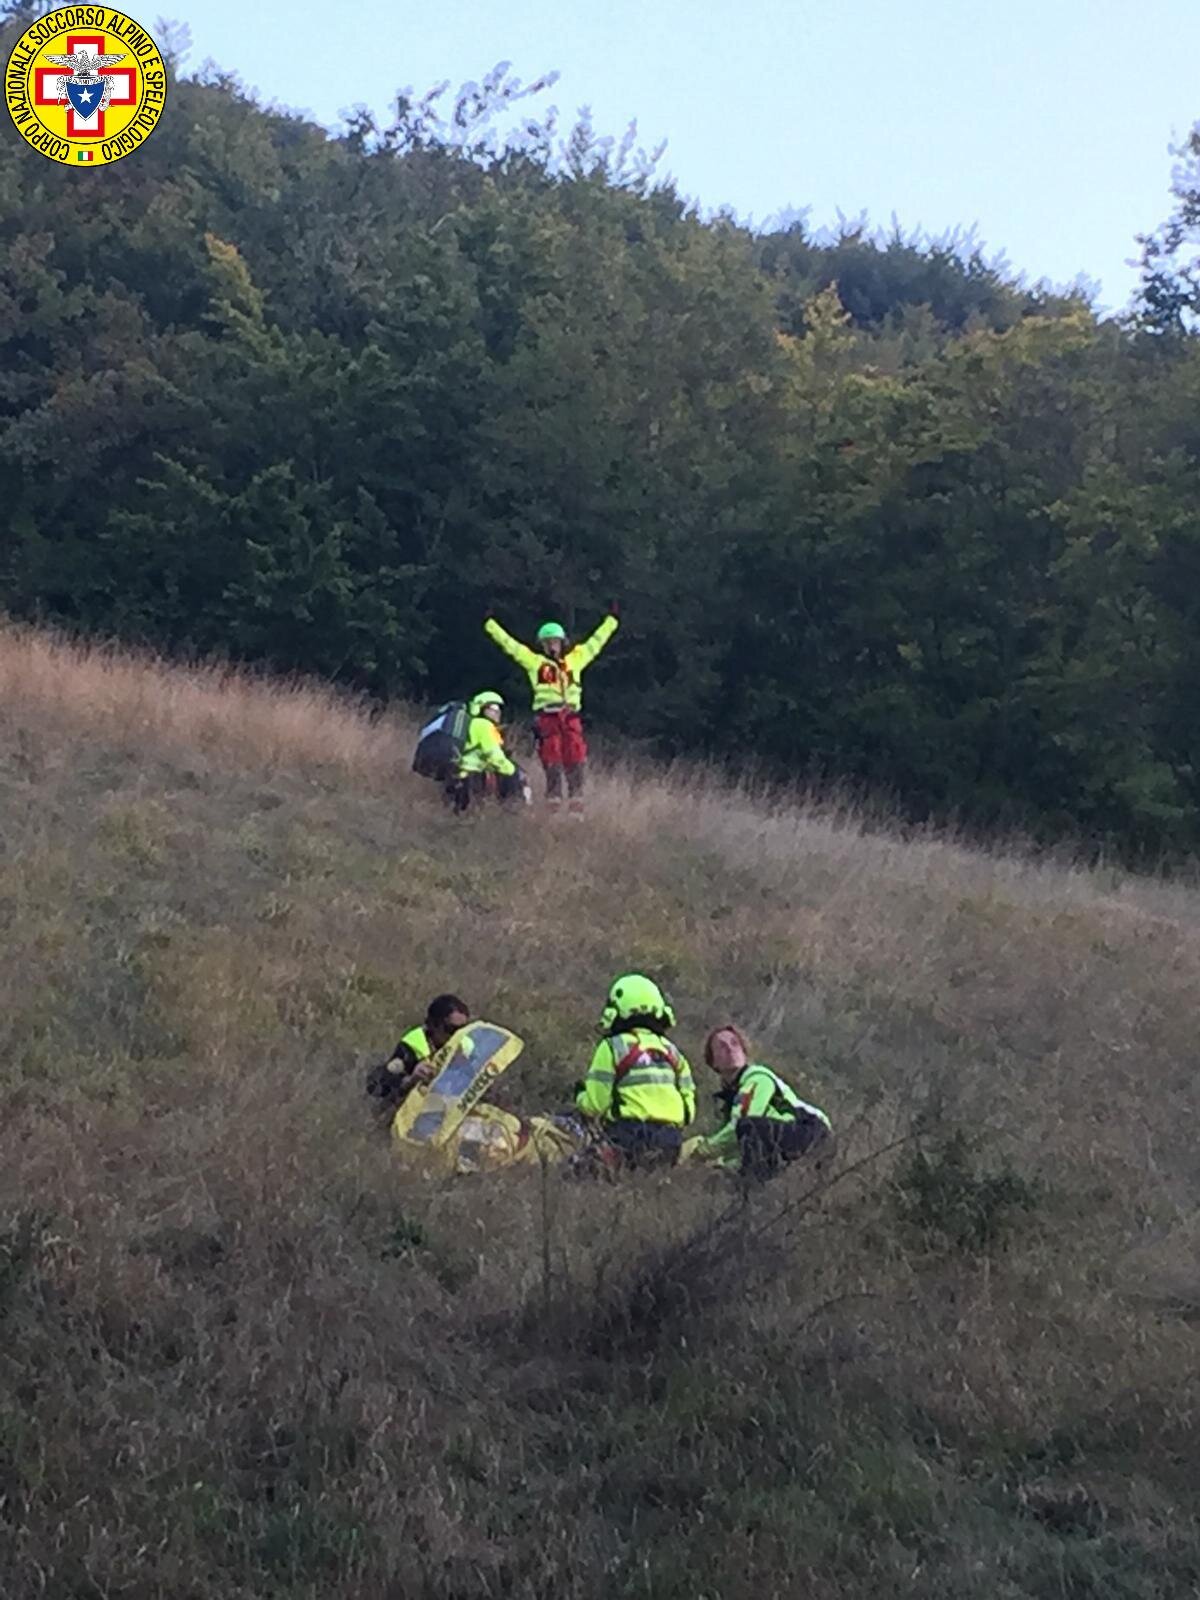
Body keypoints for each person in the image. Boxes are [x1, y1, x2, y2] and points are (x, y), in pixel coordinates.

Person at [483, 604, 619, 816]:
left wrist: (612, 620)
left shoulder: (577, 658)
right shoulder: (535, 663)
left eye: (554, 642)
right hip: (548, 719)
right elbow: (511, 645)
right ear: (542, 646)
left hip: (571, 718)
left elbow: (597, 641)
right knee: (552, 760)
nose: (551, 646)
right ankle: (553, 809)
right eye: (547, 643)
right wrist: (491, 625)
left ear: (562, 642)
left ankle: (576, 809)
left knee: (576, 759)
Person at [575, 973, 695, 1169]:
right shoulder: (673, 1052)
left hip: (627, 1137)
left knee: (578, 1171)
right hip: (671, 1141)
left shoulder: (612, 1047)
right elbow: (689, 1110)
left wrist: (580, 1097)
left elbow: (595, 1105)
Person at [686, 1024, 833, 1182]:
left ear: (744, 1051)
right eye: (721, 1047)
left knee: (748, 1127)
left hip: (812, 1131)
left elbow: (741, 1127)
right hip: (792, 1137)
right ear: (713, 1062)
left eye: (735, 1043)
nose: (729, 1048)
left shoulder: (757, 1078)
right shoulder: (731, 1100)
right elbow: (739, 1146)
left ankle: (752, 1196)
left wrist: (700, 1152)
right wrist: (719, 1166)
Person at [365, 993, 470, 1119]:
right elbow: (377, 1087)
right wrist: (411, 1080)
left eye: (463, 1030)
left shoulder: (467, 1046)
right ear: (434, 1025)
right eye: (452, 1030)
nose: (458, 1036)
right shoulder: (412, 1047)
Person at [451, 690, 531, 814]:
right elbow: (494, 755)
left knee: (459, 815)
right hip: (472, 775)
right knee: (472, 815)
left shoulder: (471, 724)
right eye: (493, 707)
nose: (497, 711)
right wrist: (513, 771)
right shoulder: (484, 725)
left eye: (498, 708)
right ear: (482, 709)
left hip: (458, 774)